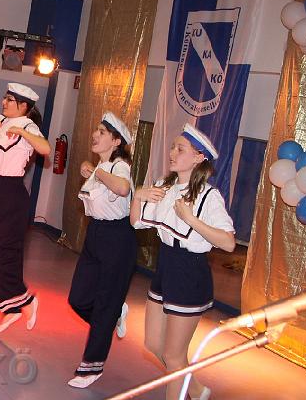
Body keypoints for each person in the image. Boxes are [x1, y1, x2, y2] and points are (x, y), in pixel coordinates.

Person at [130, 124, 235, 400]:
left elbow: (228, 242)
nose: (172, 153)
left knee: (174, 356)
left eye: (180, 149)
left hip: (190, 271)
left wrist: (191, 219)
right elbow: (136, 222)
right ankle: (197, 389)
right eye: (172, 147)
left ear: (199, 157)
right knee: (153, 343)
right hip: (165, 266)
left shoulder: (209, 196)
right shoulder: (165, 186)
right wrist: (138, 195)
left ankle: (188, 391)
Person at [67, 112, 137, 388]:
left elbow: (122, 188)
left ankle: (91, 368)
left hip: (117, 239)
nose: (95, 135)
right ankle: (113, 314)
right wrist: (93, 168)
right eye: (96, 130)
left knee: (105, 304)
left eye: (102, 132)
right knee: (78, 298)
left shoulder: (120, 166)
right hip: (95, 234)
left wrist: (96, 171)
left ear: (116, 141)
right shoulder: (101, 165)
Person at [0, 83, 49, 334]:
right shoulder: (3, 120)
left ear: (23, 106)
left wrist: (22, 131)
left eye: (10, 100)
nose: (4, 102)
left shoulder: (28, 126)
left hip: (13, 196)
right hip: (1, 193)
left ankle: (25, 300)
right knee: (4, 254)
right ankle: (11, 308)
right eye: (5, 98)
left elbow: (45, 149)